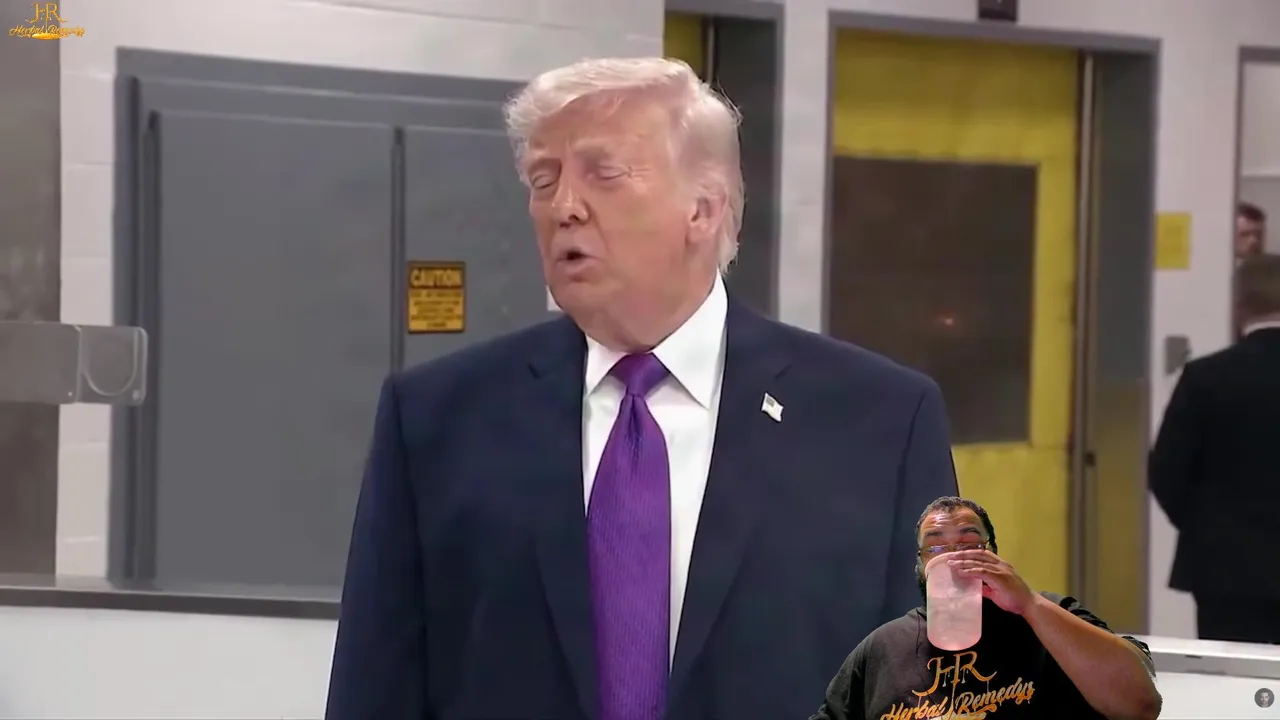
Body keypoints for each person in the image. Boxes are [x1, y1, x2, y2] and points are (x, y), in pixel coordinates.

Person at [324, 57, 958, 720]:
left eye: (603, 173)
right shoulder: (437, 421)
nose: (564, 207)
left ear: (703, 209)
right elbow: (375, 689)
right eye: (543, 179)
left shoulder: (881, 424)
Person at [810, 496, 1162, 720]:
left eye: (969, 543)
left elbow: (1140, 704)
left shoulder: (1050, 616)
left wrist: (1029, 603)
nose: (954, 557)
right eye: (935, 548)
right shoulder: (882, 648)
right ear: (919, 566)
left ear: (992, 553)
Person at [1151, 254, 1280, 642]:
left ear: (1239, 306)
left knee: (1233, 673)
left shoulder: (1204, 377)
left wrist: (1207, 524)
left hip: (1224, 567)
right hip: (1224, 556)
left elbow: (1166, 472)